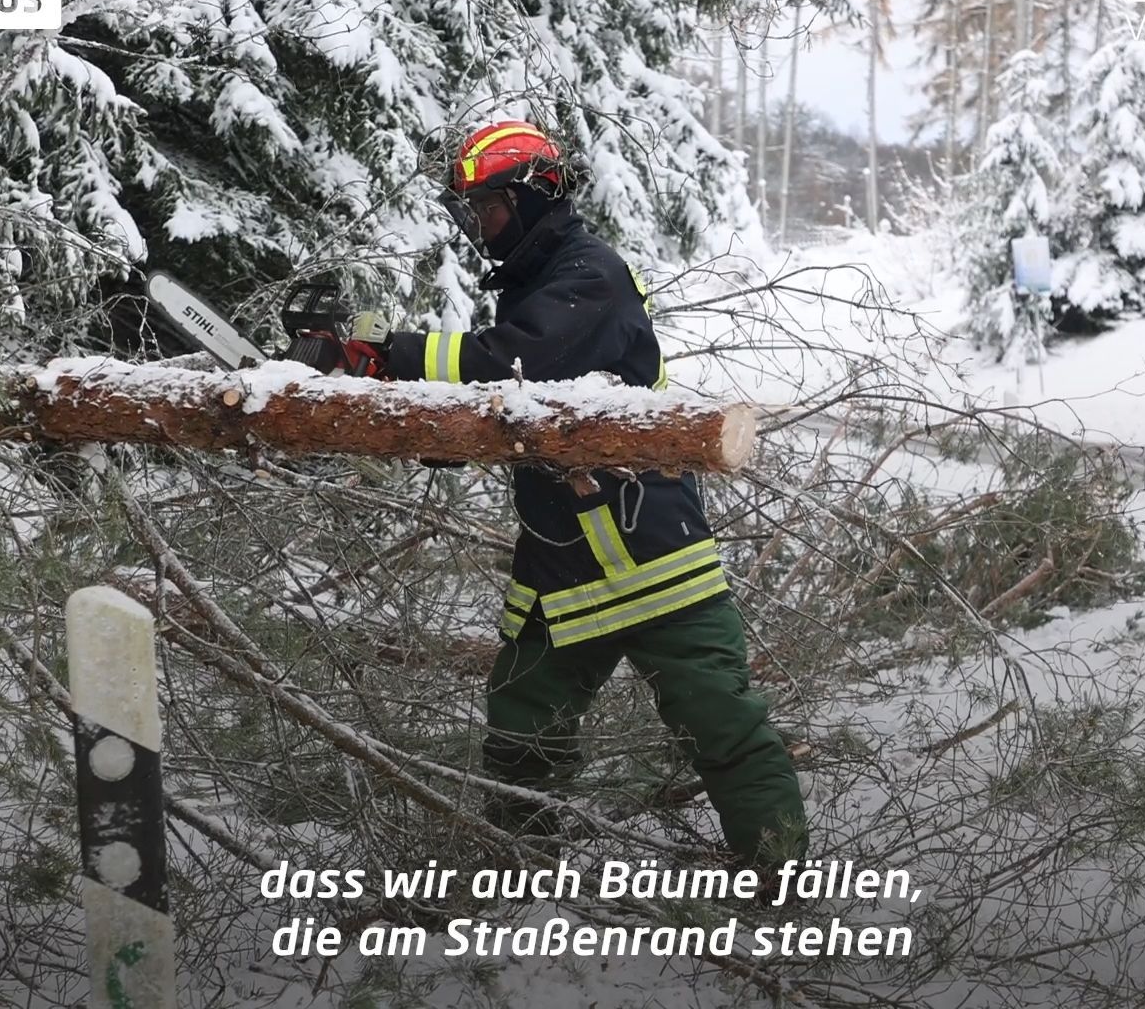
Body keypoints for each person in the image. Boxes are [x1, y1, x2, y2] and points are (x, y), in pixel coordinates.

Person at [341, 120, 806, 869]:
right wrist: (436, 434)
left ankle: (780, 880)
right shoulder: (539, 283)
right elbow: (528, 413)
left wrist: (393, 354)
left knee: (721, 725)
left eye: (489, 209)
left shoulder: (591, 274)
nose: (482, 227)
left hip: (650, 552)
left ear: (532, 198)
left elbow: (510, 365)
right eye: (474, 213)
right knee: (521, 728)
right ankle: (522, 871)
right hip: (562, 559)